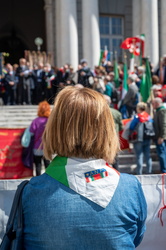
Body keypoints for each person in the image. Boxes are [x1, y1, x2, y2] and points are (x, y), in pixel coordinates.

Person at [22, 86, 147, 249]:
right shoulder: (131, 187)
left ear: (55, 128)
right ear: (106, 130)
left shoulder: (30, 192)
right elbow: (135, 237)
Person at [129, 102, 153, 175]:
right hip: (148, 138)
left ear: (138, 108)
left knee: (139, 156)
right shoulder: (148, 117)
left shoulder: (137, 117)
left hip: (138, 139)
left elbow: (131, 126)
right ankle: (149, 171)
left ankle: (139, 173)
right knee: (148, 155)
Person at [29, 101, 50, 176]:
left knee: (38, 166)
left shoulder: (35, 121)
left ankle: (38, 182)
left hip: (36, 147)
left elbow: (31, 132)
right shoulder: (49, 121)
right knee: (48, 166)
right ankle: (48, 181)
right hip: (47, 147)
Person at [152, 97, 166, 173]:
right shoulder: (158, 111)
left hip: (161, 137)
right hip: (159, 136)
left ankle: (164, 170)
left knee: (162, 153)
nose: (152, 105)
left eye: (153, 103)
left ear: (157, 103)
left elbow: (164, 124)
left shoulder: (162, 111)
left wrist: (162, 136)